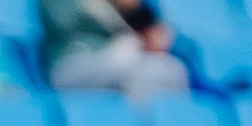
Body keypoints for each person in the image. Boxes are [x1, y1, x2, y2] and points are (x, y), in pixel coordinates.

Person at [39, 0, 191, 103]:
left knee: (173, 70)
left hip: (120, 58)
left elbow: (150, 25)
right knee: (137, 75)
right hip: (73, 61)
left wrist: (135, 15)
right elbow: (62, 22)